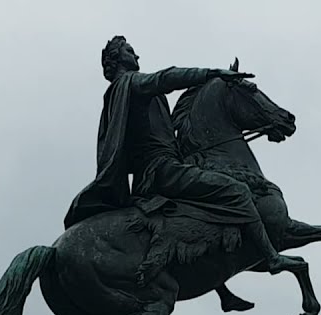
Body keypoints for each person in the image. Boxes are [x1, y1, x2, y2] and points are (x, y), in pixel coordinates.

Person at [65, 36, 305, 276]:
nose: (136, 55)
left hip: (155, 172)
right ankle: (272, 258)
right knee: (238, 191)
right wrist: (211, 73)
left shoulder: (121, 94)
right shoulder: (131, 83)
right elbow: (166, 78)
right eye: (129, 51)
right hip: (163, 171)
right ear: (116, 59)